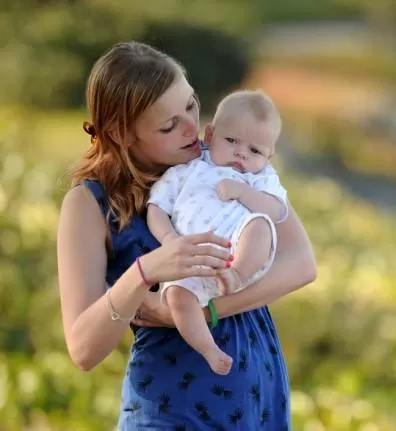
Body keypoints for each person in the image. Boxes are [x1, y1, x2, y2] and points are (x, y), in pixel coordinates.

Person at [57, 41, 316, 430]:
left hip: (256, 392)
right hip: (172, 403)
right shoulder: (89, 204)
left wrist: (201, 311)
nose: (193, 129)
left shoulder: (225, 155)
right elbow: (83, 349)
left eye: (191, 105)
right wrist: (142, 273)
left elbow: (301, 264)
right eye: (168, 125)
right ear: (121, 133)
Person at [147, 89, 289, 376]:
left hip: (238, 253)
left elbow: (276, 211)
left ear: (269, 156)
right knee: (177, 297)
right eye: (232, 140)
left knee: (260, 225)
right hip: (189, 258)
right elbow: (156, 208)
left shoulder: (260, 177)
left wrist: (243, 191)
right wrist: (169, 240)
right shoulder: (187, 170)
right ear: (210, 135)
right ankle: (208, 349)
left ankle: (235, 276)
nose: (241, 153)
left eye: (255, 151)